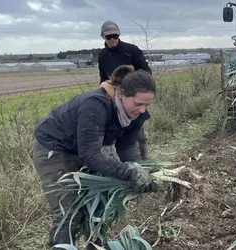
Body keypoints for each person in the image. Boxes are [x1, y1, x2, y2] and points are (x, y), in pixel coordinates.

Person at [31, 65, 157, 249]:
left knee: (98, 206)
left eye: (147, 104)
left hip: (86, 147)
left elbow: (126, 147)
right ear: (121, 94)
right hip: (54, 148)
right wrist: (128, 172)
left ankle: (96, 246)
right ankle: (63, 246)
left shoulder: (135, 114)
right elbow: (90, 156)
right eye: (138, 103)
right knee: (69, 212)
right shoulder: (96, 105)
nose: (142, 109)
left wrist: (141, 168)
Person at [97, 21, 153, 160]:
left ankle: (145, 159)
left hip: (133, 96)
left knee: (137, 129)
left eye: (115, 36)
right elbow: (103, 79)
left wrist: (133, 87)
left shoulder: (132, 50)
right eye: (108, 37)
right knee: (117, 131)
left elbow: (146, 72)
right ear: (102, 36)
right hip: (114, 99)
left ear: (119, 34)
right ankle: (123, 161)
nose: (112, 40)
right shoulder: (102, 56)